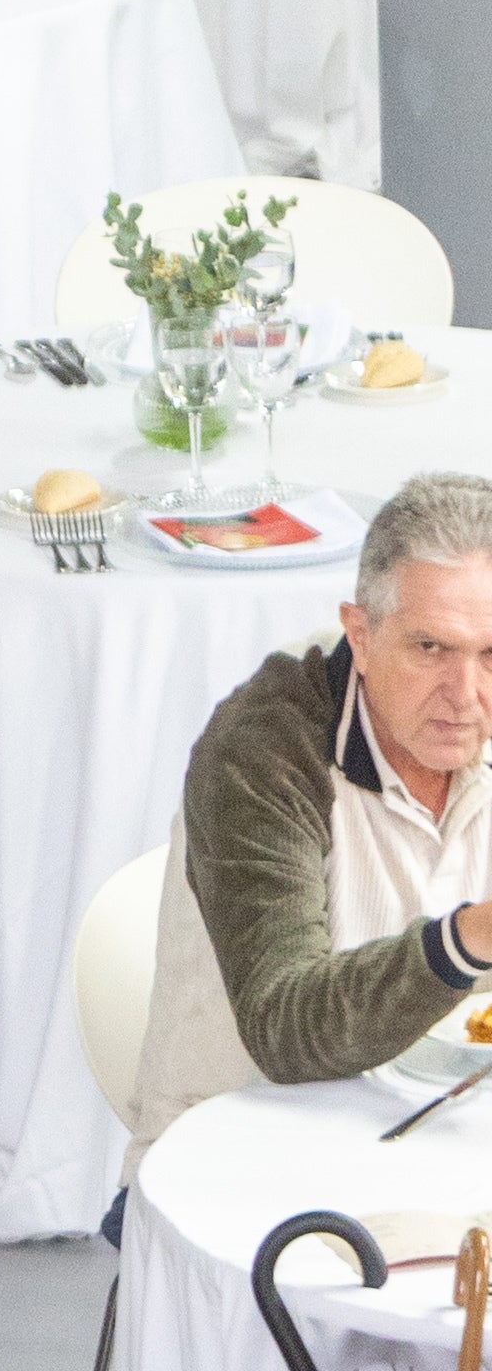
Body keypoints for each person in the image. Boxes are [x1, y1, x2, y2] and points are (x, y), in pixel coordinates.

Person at [129, 469, 492, 1155]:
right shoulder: (263, 750)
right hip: (240, 1166)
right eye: (429, 648)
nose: (464, 693)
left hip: (452, 1148)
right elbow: (283, 1028)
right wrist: (473, 936)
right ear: (359, 632)